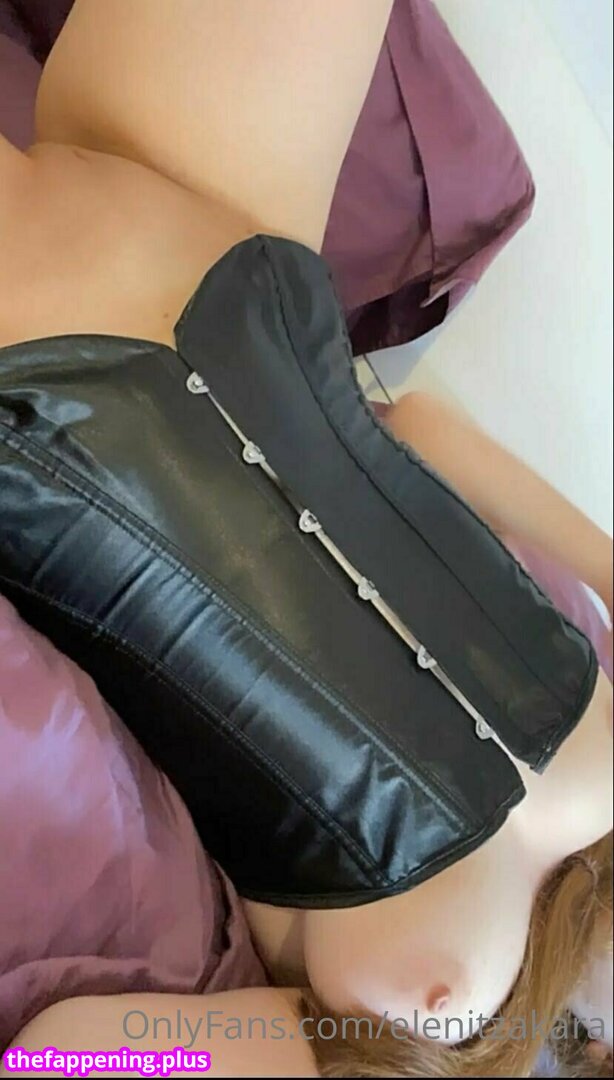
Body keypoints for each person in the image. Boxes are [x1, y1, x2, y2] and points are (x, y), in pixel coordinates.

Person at [0, 2, 612, 1076]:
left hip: (58, 400)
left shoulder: (422, 1055)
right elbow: (424, 430)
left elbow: (55, 1058)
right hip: (245, 263)